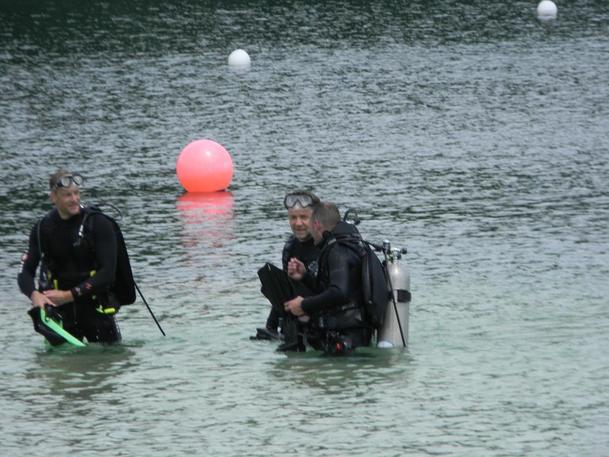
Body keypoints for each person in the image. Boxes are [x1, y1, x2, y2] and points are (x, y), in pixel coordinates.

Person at [18, 169, 123, 344]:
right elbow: (25, 273)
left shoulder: (98, 223)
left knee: (108, 363)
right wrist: (34, 295)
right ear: (53, 197)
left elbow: (108, 273)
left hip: (96, 309)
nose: (74, 199)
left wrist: (69, 295)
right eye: (67, 195)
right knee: (59, 366)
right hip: (61, 313)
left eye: (76, 193)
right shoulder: (41, 229)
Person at [284, 202, 372, 354]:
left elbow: (339, 292)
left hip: (348, 342)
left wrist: (303, 305)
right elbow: (333, 289)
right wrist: (305, 276)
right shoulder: (348, 244)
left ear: (317, 225)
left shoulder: (337, 251)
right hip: (352, 337)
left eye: (310, 226)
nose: (310, 231)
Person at [254, 190, 321, 342]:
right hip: (297, 322)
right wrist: (270, 326)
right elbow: (284, 291)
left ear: (316, 218)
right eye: (293, 217)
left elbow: (337, 291)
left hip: (324, 321)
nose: (298, 223)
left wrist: (305, 305)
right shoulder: (291, 247)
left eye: (304, 217)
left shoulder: (328, 246)